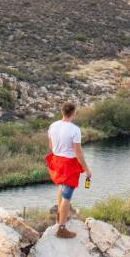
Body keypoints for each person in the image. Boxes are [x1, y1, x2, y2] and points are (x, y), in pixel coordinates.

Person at [45, 101, 89, 238]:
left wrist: (59, 151)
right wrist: (86, 169)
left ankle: (60, 215)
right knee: (67, 196)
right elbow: (78, 152)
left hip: (57, 160)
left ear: (62, 112)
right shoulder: (74, 129)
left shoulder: (53, 126)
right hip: (68, 164)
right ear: (74, 113)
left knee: (61, 188)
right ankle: (62, 228)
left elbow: (51, 146)